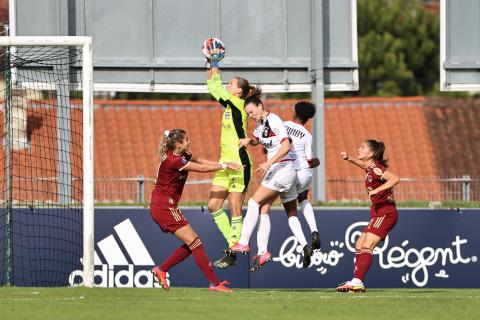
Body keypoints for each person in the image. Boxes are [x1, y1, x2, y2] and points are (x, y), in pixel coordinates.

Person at [149, 129, 241, 292]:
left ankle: (162, 269)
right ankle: (214, 283)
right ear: (178, 144)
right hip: (165, 206)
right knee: (195, 244)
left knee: (193, 243)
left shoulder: (179, 155)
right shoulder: (174, 161)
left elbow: (203, 162)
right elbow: (203, 169)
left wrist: (225, 167)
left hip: (162, 206)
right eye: (186, 140)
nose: (189, 142)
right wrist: (226, 166)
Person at [204, 38, 262, 268]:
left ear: (238, 92)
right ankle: (233, 245)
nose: (228, 86)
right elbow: (212, 86)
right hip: (224, 163)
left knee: (235, 207)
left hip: (240, 163)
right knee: (213, 206)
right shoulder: (231, 105)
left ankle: (233, 250)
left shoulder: (238, 105)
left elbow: (214, 87)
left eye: (231, 84)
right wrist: (210, 64)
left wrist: (216, 61)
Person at [226, 96, 297, 272]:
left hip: (283, 169)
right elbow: (258, 139)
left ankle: (242, 243)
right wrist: (248, 141)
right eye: (248, 113)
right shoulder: (261, 124)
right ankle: (263, 252)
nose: (250, 115)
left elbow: (286, 145)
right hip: (278, 170)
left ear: (260, 106)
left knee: (252, 202)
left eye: (252, 111)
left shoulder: (274, 120)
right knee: (263, 209)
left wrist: (268, 162)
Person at [336, 140, 400, 292]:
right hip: (378, 213)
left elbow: (395, 179)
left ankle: (357, 281)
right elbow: (364, 165)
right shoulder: (370, 167)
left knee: (367, 245)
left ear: (370, 154)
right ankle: (355, 281)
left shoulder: (377, 169)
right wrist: (349, 158)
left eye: (362, 147)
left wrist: (377, 191)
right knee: (359, 244)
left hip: (386, 212)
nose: (359, 148)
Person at [280, 101, 321, 268]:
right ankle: (314, 230)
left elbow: (272, 148)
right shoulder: (307, 135)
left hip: (288, 172)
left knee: (291, 213)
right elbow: (310, 160)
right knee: (304, 199)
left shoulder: (282, 125)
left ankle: (304, 246)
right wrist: (316, 161)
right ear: (308, 119)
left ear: (295, 111)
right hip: (304, 173)